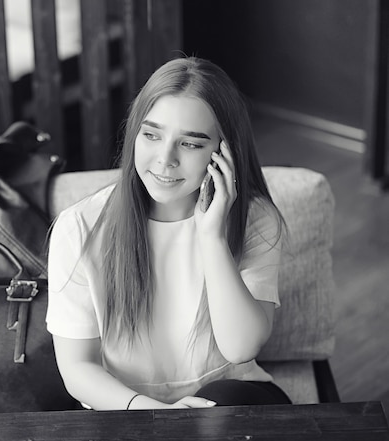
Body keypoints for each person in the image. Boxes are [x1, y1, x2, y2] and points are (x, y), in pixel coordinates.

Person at [45, 56, 292, 410]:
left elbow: (241, 348)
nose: (165, 158)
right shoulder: (79, 227)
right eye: (151, 135)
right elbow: (77, 366)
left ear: (224, 152)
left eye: (190, 143)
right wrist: (155, 414)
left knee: (221, 402)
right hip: (124, 407)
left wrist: (212, 237)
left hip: (228, 400)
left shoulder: (255, 219)